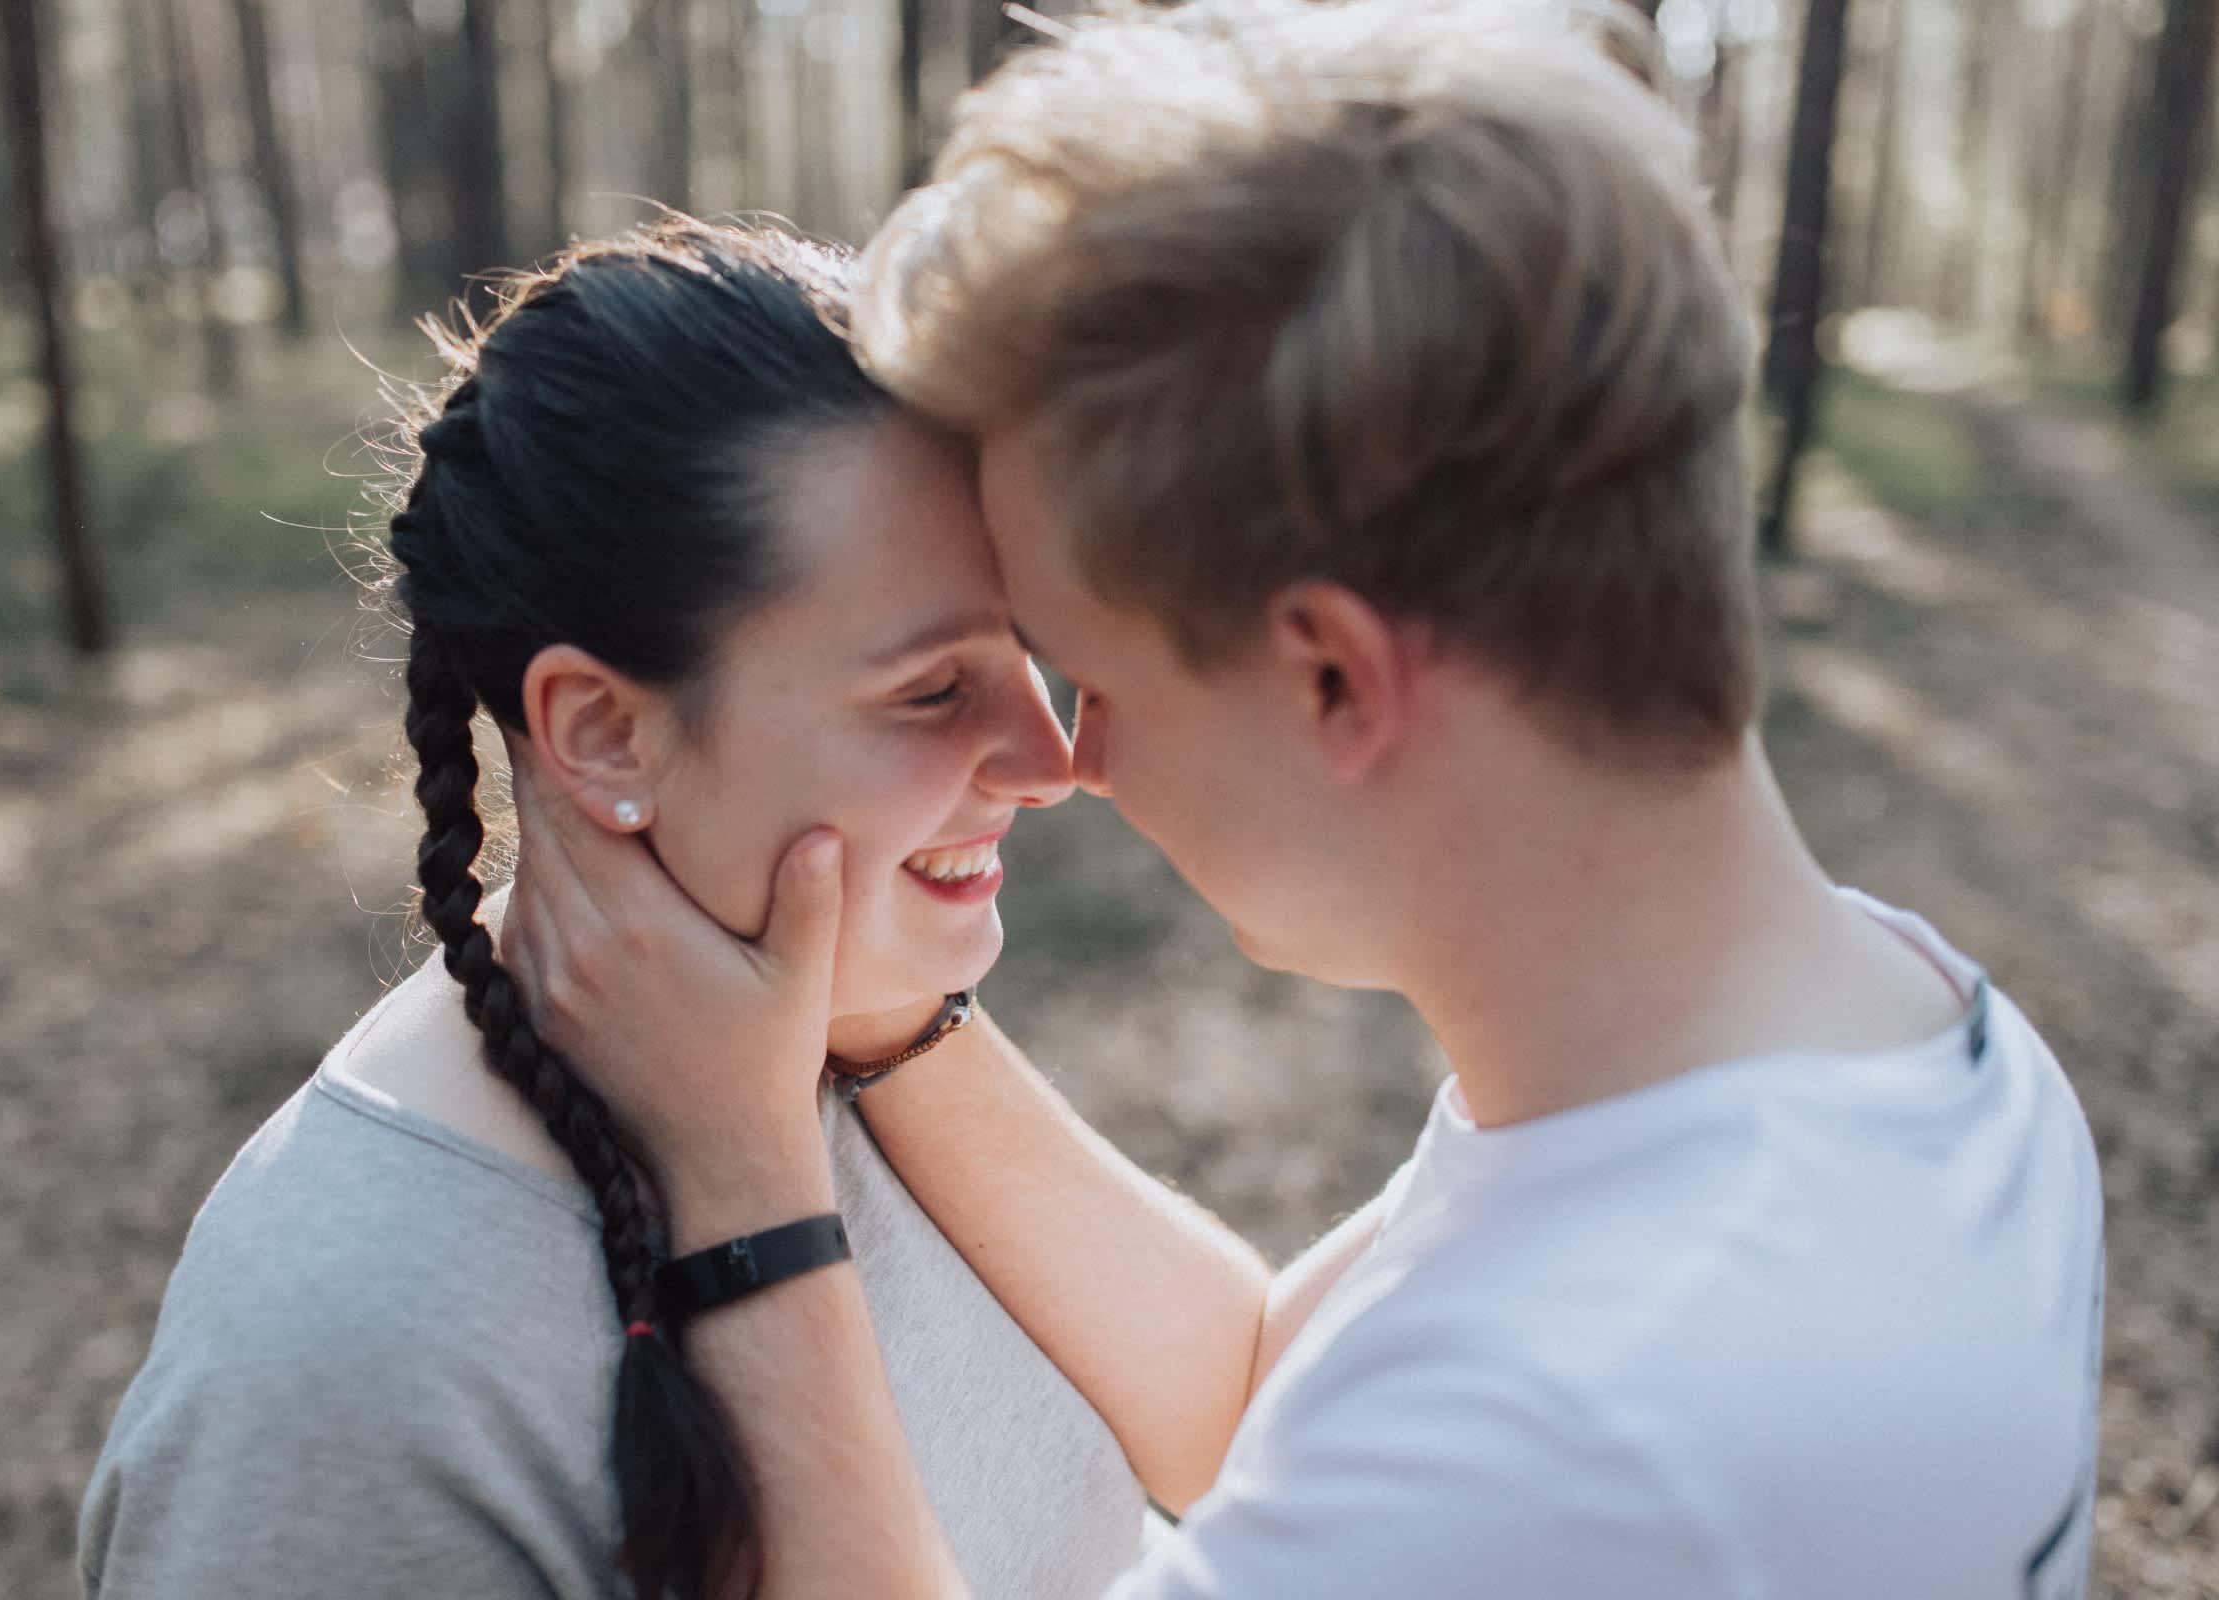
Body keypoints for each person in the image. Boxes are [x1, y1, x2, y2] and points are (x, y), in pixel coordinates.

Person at [497, 2, 2109, 1595]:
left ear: (1332, 675)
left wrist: (746, 1190)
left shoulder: (1566, 1431)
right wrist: (881, 1011)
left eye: (1092, 672)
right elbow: (1261, 1400)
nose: (1075, 762)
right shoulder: (1919, 1043)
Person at [78, 223, 1257, 1600]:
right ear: (604, 734)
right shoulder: (339, 1367)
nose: (1054, 765)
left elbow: (1251, 1425)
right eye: (935, 691)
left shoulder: (854, 1023)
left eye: (1034, 658)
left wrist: (888, 1040)